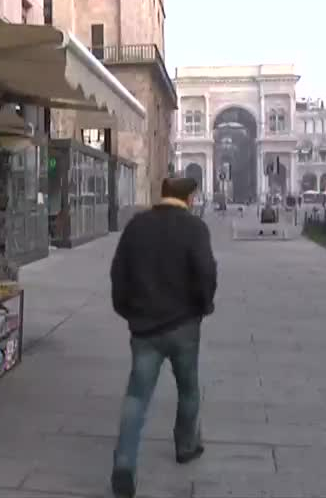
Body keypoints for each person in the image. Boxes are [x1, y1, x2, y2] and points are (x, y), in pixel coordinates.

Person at [109, 178, 218, 498]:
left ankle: (124, 462)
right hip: (184, 325)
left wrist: (127, 311)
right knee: (189, 388)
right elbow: (206, 272)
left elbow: (118, 273)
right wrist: (204, 306)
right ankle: (186, 445)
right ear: (190, 198)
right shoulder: (195, 228)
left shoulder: (137, 226)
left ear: (163, 195)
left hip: (145, 328)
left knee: (136, 396)